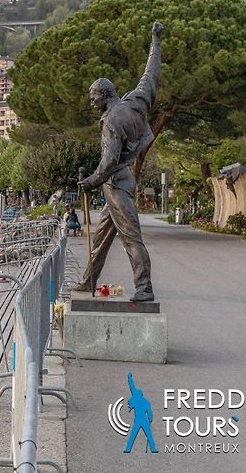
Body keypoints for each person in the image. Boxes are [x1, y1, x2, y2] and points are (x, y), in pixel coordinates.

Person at [75, 22, 163, 302]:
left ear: (105, 94)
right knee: (101, 238)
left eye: (93, 97)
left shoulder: (111, 122)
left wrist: (89, 181)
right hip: (123, 179)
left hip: (116, 182)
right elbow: (151, 74)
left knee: (131, 237)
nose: (91, 103)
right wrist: (155, 40)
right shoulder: (135, 102)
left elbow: (109, 161)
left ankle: (144, 288)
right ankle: (89, 280)